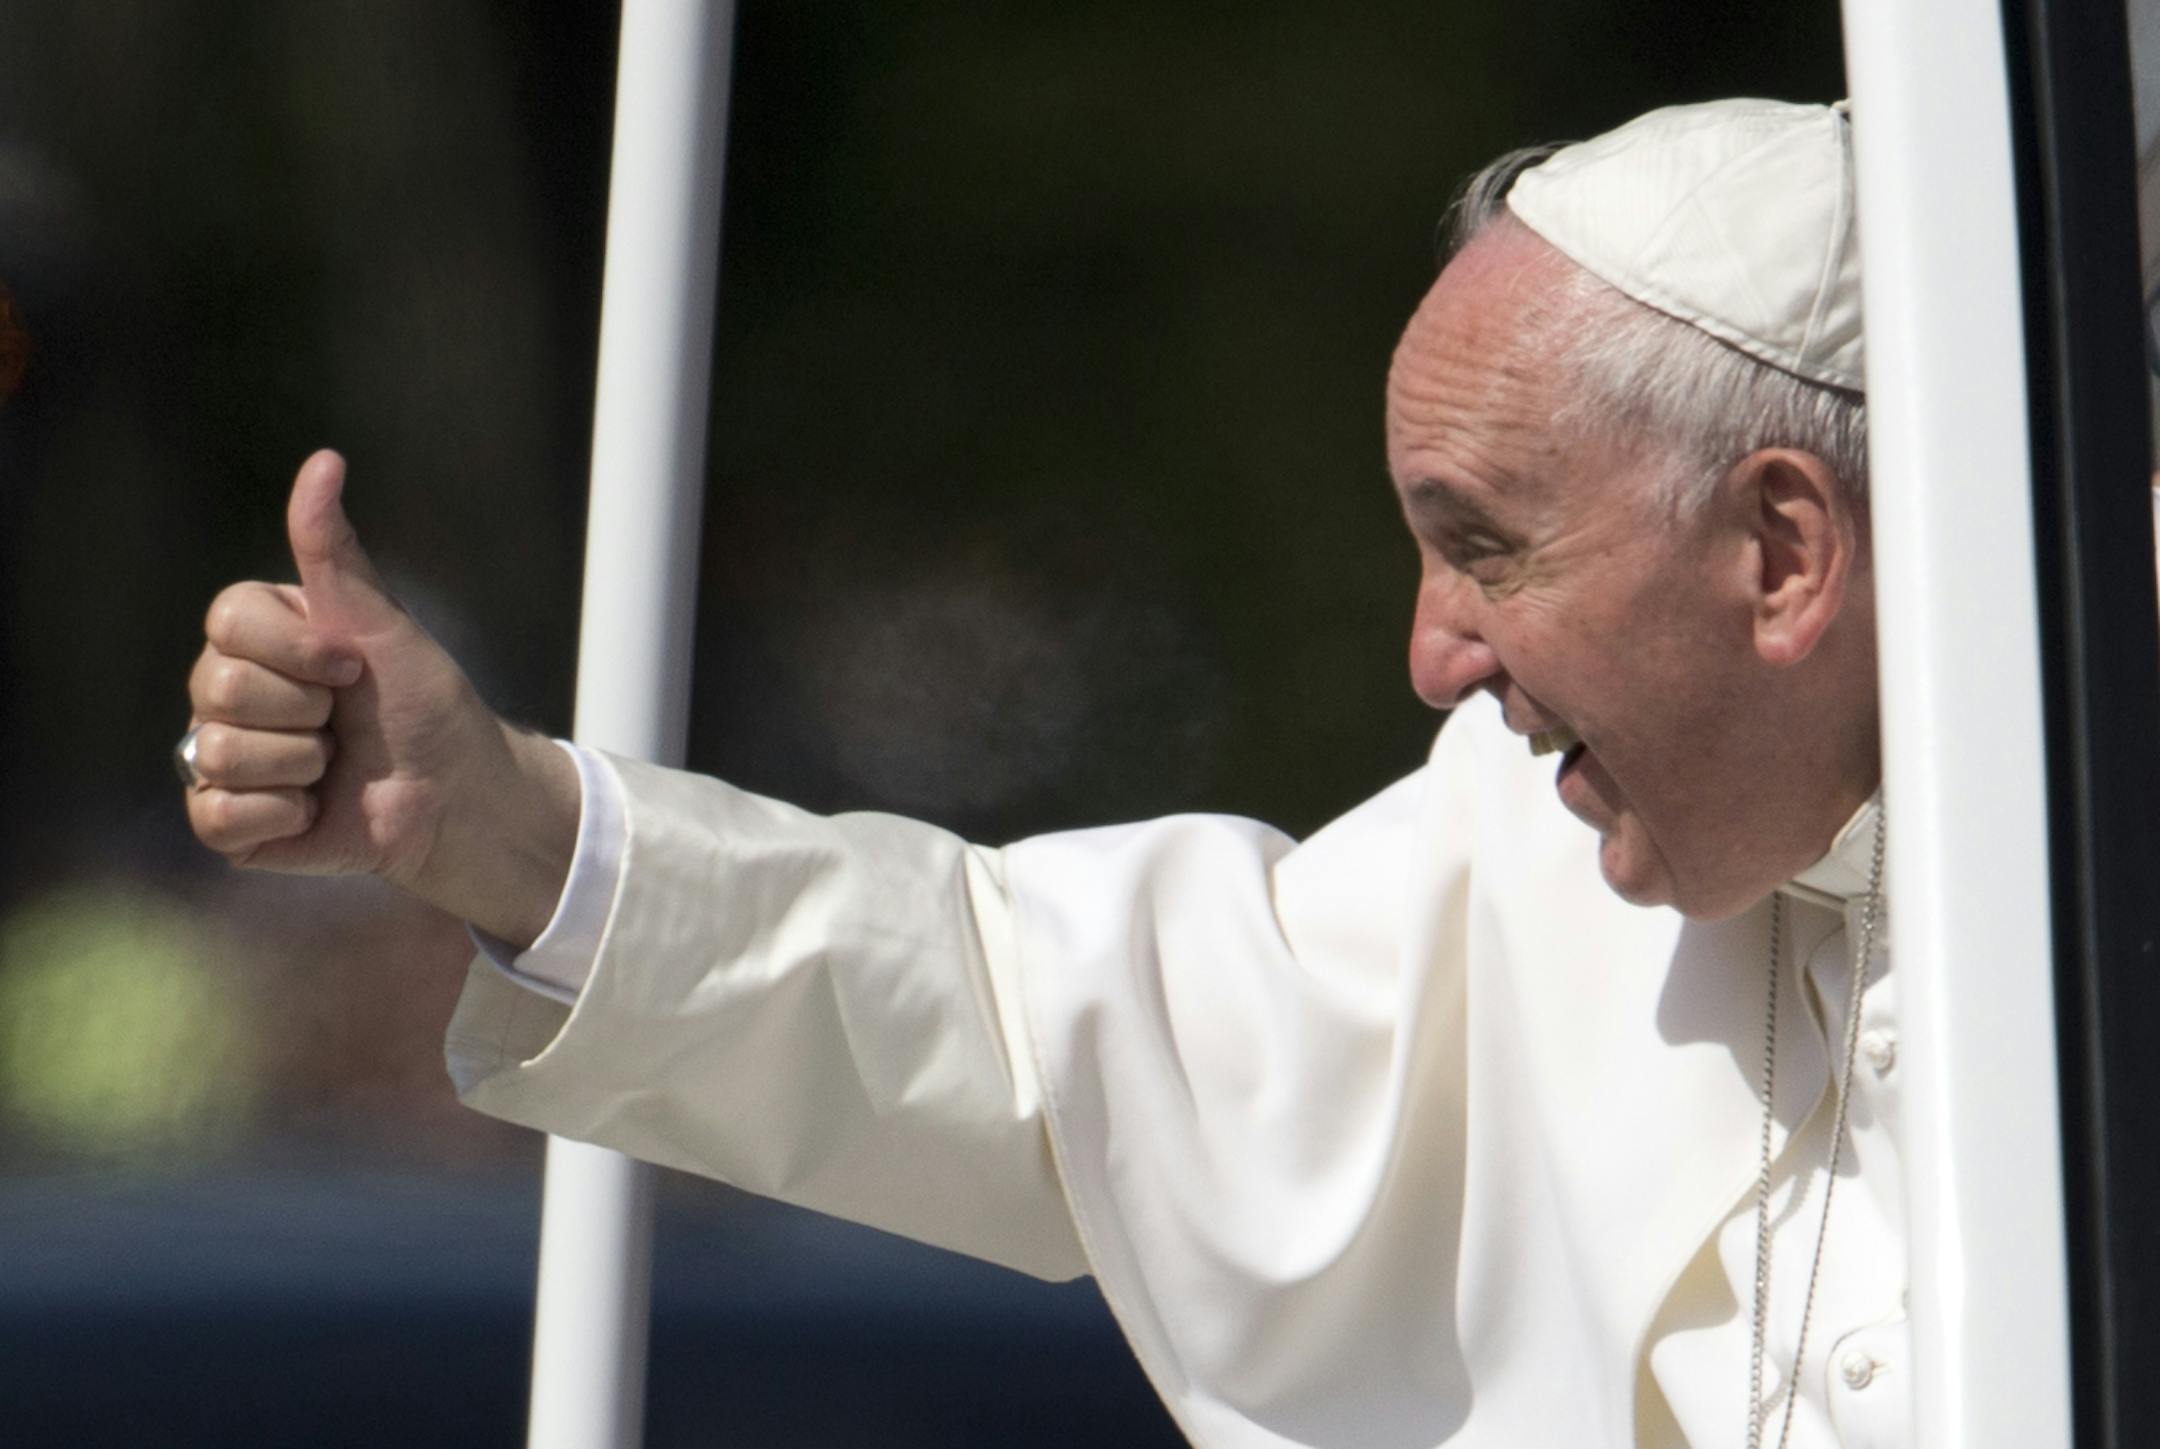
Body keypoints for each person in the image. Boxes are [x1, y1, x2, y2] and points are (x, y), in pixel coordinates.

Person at [179, 99, 1901, 1446]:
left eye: (1491, 550)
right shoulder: (1517, 845)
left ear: (1781, 548)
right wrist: (502, 828)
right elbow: (1020, 1015)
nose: (1435, 657)